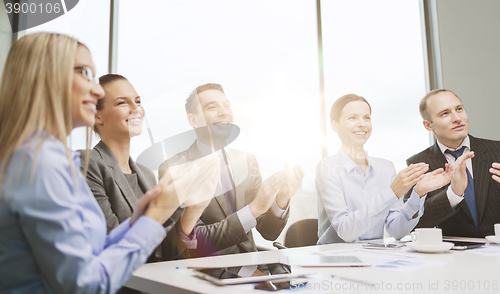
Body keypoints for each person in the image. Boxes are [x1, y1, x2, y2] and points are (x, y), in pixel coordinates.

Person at [0, 33, 218, 293]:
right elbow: (85, 284)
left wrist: (141, 219)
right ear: (44, 78)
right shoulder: (39, 164)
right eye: (83, 72)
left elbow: (90, 252)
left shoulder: (55, 158)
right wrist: (159, 211)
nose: (97, 90)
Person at [159, 83, 304, 257]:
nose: (224, 113)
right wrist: (254, 208)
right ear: (194, 120)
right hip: (205, 272)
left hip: (251, 267)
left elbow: (268, 232)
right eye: (212, 107)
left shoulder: (247, 161)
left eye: (226, 106)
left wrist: (282, 198)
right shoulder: (174, 167)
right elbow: (194, 239)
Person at [316, 94, 452, 244]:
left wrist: (418, 194)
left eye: (367, 118)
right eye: (352, 118)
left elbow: (397, 231)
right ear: (335, 125)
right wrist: (392, 192)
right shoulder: (327, 168)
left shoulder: (385, 168)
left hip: (374, 258)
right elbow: (345, 231)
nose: (362, 124)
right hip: (334, 260)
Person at [405, 89, 500, 237]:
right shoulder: (418, 164)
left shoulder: (497, 151)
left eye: (459, 109)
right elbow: (413, 224)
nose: (457, 118)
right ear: (428, 125)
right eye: (445, 113)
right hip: (453, 256)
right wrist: (453, 195)